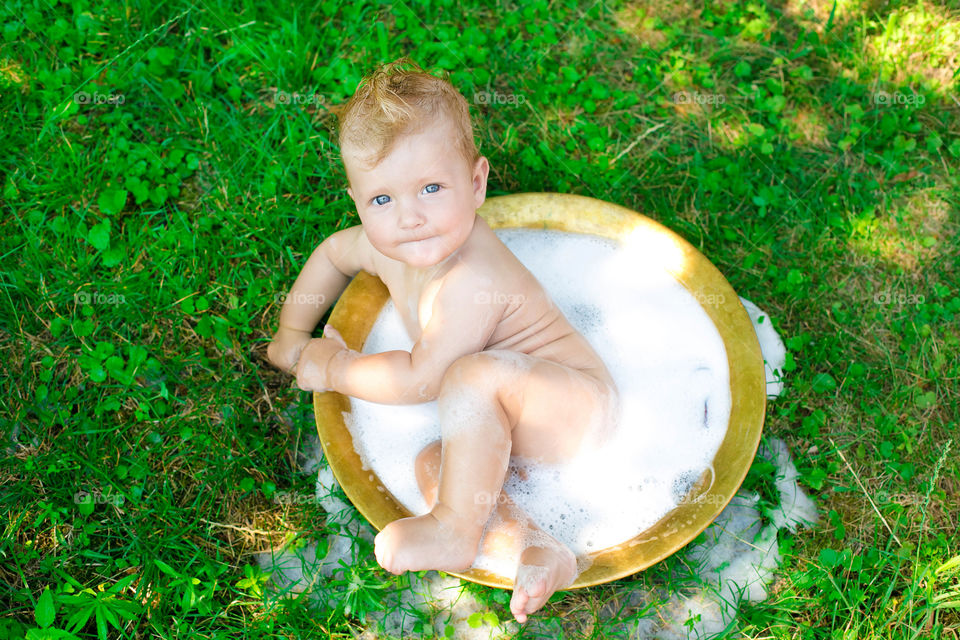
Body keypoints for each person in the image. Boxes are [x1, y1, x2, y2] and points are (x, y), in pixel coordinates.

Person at [266, 56, 619, 623]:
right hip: (513, 427)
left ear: (476, 183)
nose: (410, 218)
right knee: (435, 463)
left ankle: (454, 530)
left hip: (574, 407)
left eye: (431, 187)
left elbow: (422, 379)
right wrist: (292, 335)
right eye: (383, 199)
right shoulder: (388, 245)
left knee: (469, 377)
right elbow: (333, 253)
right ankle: (535, 547)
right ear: (359, 201)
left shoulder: (471, 278)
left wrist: (332, 368)